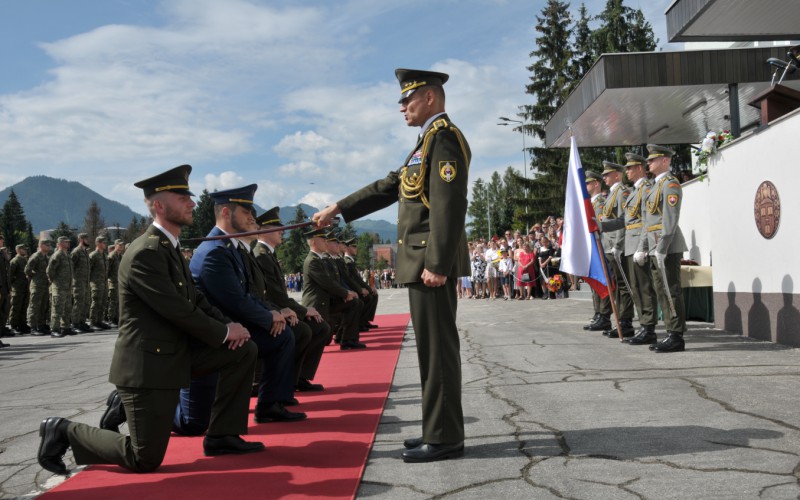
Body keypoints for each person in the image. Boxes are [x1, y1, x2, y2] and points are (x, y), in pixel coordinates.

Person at [36, 165, 262, 477]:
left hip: (172, 354)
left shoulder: (169, 246)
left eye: (190, 196)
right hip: (148, 367)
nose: (192, 202)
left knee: (243, 349)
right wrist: (224, 331)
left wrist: (233, 328)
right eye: (181, 197)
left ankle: (223, 435)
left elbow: (195, 300)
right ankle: (63, 430)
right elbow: (177, 311)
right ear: (158, 205)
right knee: (144, 458)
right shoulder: (146, 252)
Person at [313, 68, 470, 463]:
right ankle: (437, 429)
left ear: (430, 98)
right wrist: (340, 208)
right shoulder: (424, 144)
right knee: (429, 351)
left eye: (408, 99)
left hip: (428, 264)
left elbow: (450, 207)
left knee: (438, 351)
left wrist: (437, 262)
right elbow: (390, 185)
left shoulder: (445, 139)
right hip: (420, 262)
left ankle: (446, 438)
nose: (402, 107)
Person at [175, 185, 303, 434]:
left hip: (233, 327)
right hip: (214, 335)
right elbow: (235, 300)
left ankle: (267, 407)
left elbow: (247, 294)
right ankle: (134, 404)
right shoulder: (215, 252)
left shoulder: (230, 249)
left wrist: (272, 315)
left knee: (281, 337)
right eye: (246, 212)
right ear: (226, 212)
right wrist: (268, 317)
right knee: (192, 424)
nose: (251, 217)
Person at [253, 207, 332, 392]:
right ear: (263, 230)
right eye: (277, 227)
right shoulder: (261, 255)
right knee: (307, 330)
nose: (282, 230)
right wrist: (301, 311)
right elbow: (274, 295)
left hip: (279, 308)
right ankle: (285, 380)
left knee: (321, 328)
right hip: (270, 311)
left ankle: (298, 377)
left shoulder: (267, 253)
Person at [600, 153, 659, 346]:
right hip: (631, 245)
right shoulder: (634, 191)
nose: (627, 171)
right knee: (635, 287)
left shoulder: (646, 189)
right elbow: (625, 221)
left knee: (644, 287)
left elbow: (646, 222)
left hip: (639, 244)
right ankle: (644, 326)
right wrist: (601, 226)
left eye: (630, 168)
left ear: (640, 168)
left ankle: (648, 327)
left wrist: (639, 246)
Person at [636, 145, 688, 353]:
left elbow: (670, 219)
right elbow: (648, 222)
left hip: (667, 246)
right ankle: (670, 331)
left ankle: (676, 335)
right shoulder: (653, 187)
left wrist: (662, 247)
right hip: (655, 246)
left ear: (665, 161)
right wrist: (642, 247)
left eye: (652, 160)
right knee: (661, 291)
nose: (648, 163)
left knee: (670, 290)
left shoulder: (671, 184)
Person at [301, 228, 363, 349]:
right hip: (317, 304)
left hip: (328, 301)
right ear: (313, 242)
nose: (326, 241)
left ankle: (348, 340)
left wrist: (345, 295)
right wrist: (345, 293)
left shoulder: (319, 259)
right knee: (323, 341)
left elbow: (333, 282)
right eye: (323, 239)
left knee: (354, 303)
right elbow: (327, 283)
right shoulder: (312, 261)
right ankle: (341, 336)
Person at [599, 160, 634, 338]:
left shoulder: (623, 192)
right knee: (617, 285)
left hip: (616, 246)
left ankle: (626, 322)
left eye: (607, 174)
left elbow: (623, 221)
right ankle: (620, 320)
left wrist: (619, 245)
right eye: (604, 174)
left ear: (617, 175)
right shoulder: (611, 194)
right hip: (608, 245)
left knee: (623, 285)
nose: (604, 177)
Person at [582, 171, 611, 330]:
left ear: (596, 184)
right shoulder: (591, 203)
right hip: (592, 247)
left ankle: (604, 315)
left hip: (600, 246)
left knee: (602, 279)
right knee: (596, 282)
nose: (585, 186)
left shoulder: (600, 203)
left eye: (588, 183)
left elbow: (601, 227)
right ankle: (598, 312)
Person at [46, 236, 75, 338]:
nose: (68, 244)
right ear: (61, 243)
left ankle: (65, 327)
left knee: (67, 309)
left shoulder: (66, 255)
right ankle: (54, 329)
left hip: (67, 287)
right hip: (59, 287)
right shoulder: (57, 255)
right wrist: (55, 281)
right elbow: (50, 270)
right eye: (66, 242)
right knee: (57, 309)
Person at [26, 239, 52, 335]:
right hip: (37, 286)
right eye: (47, 245)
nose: (49, 246)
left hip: (45, 286)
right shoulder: (36, 256)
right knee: (34, 306)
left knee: (43, 307)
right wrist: (35, 277)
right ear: (41, 246)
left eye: (49, 245)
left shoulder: (46, 257)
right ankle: (33, 327)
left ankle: (40, 326)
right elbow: (27, 270)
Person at [70, 233, 92, 333]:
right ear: (81, 240)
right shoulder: (76, 252)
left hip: (86, 282)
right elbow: (71, 267)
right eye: (86, 239)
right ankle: (75, 323)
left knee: (85, 303)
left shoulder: (85, 252)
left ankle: (82, 322)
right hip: (78, 282)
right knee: (78, 303)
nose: (87, 240)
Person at [88, 236, 111, 331]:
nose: (105, 244)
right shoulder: (93, 255)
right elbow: (89, 269)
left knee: (103, 303)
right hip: (96, 283)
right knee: (96, 302)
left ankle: (99, 321)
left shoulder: (104, 255)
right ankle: (93, 322)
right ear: (98, 243)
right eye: (103, 242)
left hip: (104, 283)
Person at [8, 244, 30, 335]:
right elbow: (10, 275)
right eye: (23, 249)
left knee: (24, 306)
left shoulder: (25, 260)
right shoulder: (15, 261)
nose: (25, 251)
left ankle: (22, 324)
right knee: (16, 307)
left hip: (25, 287)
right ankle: (13, 325)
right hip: (18, 288)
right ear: (18, 250)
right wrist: (13, 285)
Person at [106, 239, 125, 327]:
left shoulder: (120, 256)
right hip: (112, 282)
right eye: (119, 245)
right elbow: (107, 270)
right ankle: (111, 318)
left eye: (122, 246)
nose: (121, 247)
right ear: (115, 245)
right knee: (112, 301)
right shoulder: (112, 256)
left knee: (118, 301)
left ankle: (117, 318)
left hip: (119, 282)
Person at [0, 236, 10, 345]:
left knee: (3, 313)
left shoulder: (2, 254)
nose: (2, 241)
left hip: (4, 288)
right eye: (1, 239)